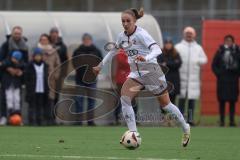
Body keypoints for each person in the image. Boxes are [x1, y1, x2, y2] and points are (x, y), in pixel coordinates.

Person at [93, 8, 190, 147]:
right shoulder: (121, 36)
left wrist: (146, 58)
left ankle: (185, 127)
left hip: (151, 71)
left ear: (134, 21)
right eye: (123, 21)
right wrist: (100, 66)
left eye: (128, 21)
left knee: (166, 105)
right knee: (125, 99)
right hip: (136, 74)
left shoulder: (142, 34)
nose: (125, 24)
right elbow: (113, 51)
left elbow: (157, 49)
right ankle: (134, 133)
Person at [175, 26, 208, 126]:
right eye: (187, 34)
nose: (189, 35)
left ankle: (190, 120)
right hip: (181, 78)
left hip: (193, 79)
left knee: (191, 101)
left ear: (194, 35)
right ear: (184, 35)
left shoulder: (198, 48)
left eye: (191, 34)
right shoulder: (178, 47)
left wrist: (197, 61)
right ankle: (181, 120)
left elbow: (204, 59)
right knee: (181, 100)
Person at [72, 33, 103, 126]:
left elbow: (101, 63)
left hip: (92, 80)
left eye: (88, 40)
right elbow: (74, 63)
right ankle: (79, 121)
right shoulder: (78, 51)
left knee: (91, 101)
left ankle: (90, 121)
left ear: (91, 40)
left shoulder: (96, 51)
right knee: (79, 100)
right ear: (83, 41)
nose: (87, 41)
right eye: (85, 40)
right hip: (80, 79)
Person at [0, 26, 28, 125]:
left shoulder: (24, 46)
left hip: (18, 77)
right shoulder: (5, 45)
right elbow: (1, 61)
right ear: (12, 34)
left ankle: (17, 118)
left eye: (19, 33)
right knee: (5, 97)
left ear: (21, 34)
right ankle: (3, 117)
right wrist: (8, 68)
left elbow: (26, 63)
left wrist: (21, 71)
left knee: (17, 98)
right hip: (6, 76)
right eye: (15, 33)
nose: (17, 35)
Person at [212, 35, 240, 127]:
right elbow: (214, 65)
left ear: (233, 41)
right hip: (222, 79)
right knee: (222, 100)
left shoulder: (237, 51)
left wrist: (237, 73)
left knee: (232, 101)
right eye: (226, 41)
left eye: (230, 41)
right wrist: (219, 73)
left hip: (233, 79)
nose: (228, 42)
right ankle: (222, 120)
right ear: (224, 41)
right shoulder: (220, 51)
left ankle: (232, 121)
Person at [37, 34, 61, 125]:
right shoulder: (37, 51)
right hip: (39, 79)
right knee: (40, 99)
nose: (44, 41)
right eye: (42, 39)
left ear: (48, 41)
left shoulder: (54, 52)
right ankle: (40, 120)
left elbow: (58, 65)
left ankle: (50, 119)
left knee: (50, 99)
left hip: (50, 79)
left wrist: (56, 76)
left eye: (45, 39)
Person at [112, 49, 138, 125]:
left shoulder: (134, 50)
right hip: (121, 80)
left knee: (133, 100)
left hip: (132, 80)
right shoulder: (120, 52)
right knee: (120, 100)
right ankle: (117, 119)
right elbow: (123, 63)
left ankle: (134, 119)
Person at [25, 48, 49, 126]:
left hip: (42, 89)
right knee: (32, 106)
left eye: (39, 56)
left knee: (40, 106)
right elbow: (27, 78)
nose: (38, 57)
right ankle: (31, 121)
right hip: (32, 89)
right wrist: (29, 87)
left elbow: (46, 77)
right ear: (33, 57)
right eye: (36, 56)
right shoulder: (30, 65)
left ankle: (40, 121)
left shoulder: (45, 65)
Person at [0, 51, 24, 121]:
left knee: (17, 100)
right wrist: (9, 68)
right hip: (7, 84)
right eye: (14, 58)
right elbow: (2, 65)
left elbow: (24, 68)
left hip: (16, 85)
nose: (15, 60)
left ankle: (17, 117)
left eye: (16, 59)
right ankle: (5, 117)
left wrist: (20, 72)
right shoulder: (6, 62)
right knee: (8, 99)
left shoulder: (21, 65)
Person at [157, 39, 182, 104]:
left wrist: (167, 63)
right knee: (163, 101)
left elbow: (178, 64)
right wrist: (172, 64)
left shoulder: (176, 54)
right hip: (164, 80)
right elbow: (159, 65)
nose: (168, 45)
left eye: (169, 44)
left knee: (173, 101)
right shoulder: (160, 54)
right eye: (167, 44)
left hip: (174, 81)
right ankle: (163, 114)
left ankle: (172, 114)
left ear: (172, 45)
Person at [49, 27, 69, 104]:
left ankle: (54, 114)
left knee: (56, 93)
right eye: (52, 33)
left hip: (59, 74)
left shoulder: (63, 46)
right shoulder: (47, 44)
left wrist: (64, 74)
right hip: (48, 73)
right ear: (50, 34)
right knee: (48, 93)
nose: (54, 35)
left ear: (57, 34)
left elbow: (66, 61)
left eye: (55, 33)